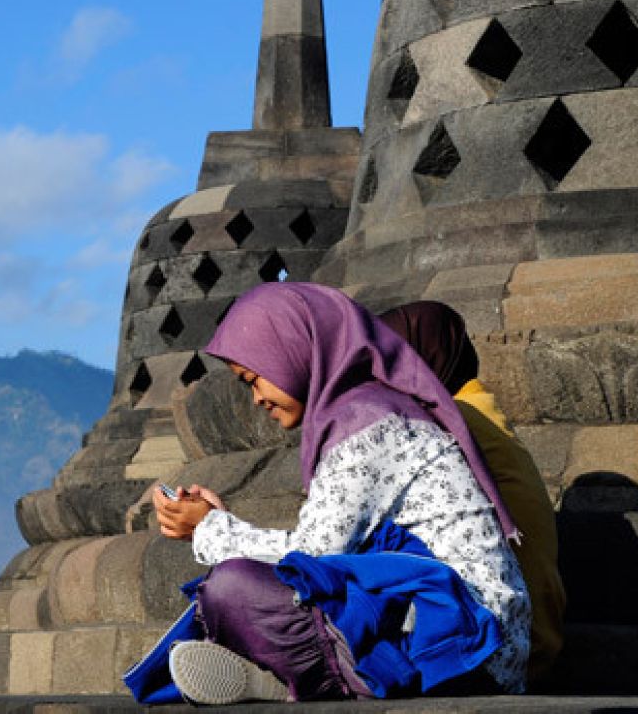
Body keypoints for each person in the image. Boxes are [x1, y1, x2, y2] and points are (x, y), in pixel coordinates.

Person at [151, 283, 531, 703]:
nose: (257, 398)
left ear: (291, 348)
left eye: (254, 379)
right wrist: (220, 523)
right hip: (468, 640)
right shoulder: (360, 414)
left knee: (233, 588)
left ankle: (300, 680)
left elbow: (312, 555)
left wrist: (210, 529)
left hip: (467, 646)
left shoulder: (369, 422)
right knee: (239, 587)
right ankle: (293, 678)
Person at [378, 301, 565, 683]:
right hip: (535, 636)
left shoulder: (450, 422)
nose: (381, 379)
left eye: (391, 362)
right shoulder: (477, 409)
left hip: (499, 646)